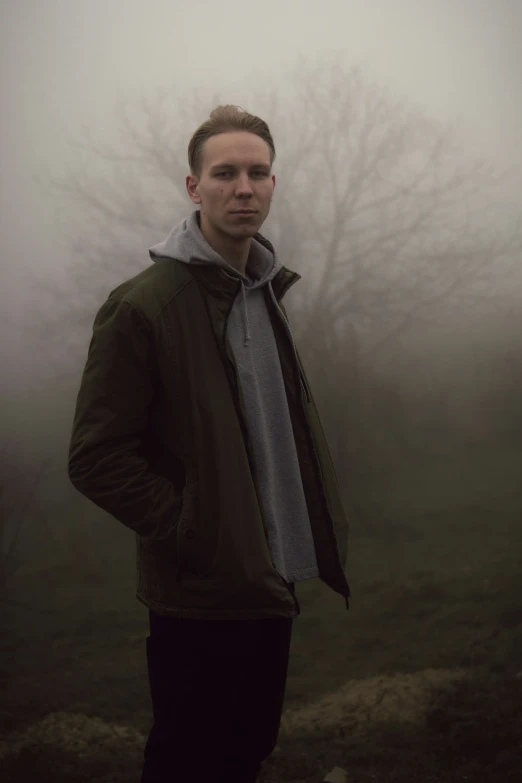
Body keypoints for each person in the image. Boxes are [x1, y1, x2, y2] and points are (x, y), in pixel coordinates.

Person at [68, 104, 351, 783]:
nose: (243, 187)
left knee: (246, 751)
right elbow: (96, 457)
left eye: (258, 172)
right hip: (199, 589)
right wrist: (195, 530)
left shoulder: (266, 290)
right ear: (194, 187)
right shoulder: (143, 305)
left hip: (272, 576)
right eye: (225, 173)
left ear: (274, 184)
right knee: (188, 761)